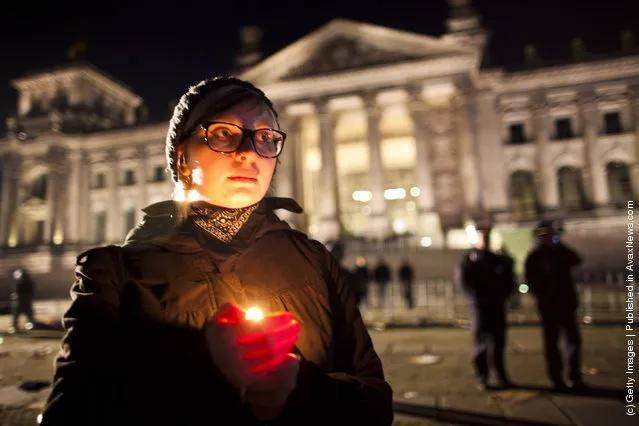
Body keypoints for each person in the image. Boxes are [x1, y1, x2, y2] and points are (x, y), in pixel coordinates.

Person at [40, 77, 393, 426]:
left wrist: (300, 389)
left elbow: (375, 404)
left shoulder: (315, 260)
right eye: (224, 134)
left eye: (266, 138)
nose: (248, 151)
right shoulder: (114, 275)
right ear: (180, 156)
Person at [525, 220, 585, 392]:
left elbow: (576, 259)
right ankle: (557, 379)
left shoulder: (560, 252)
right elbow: (531, 282)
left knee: (573, 342)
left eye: (550, 236)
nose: (547, 239)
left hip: (566, 303)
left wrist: (559, 244)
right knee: (552, 344)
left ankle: (575, 377)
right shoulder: (534, 256)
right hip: (549, 306)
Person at [457, 225, 515, 390]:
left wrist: (502, 296)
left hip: (496, 305)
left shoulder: (498, 259)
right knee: (481, 343)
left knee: (499, 342)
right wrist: (476, 299)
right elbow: (465, 282)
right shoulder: (469, 259)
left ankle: (500, 374)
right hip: (480, 307)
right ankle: (482, 376)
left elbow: (509, 280)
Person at [9, 268, 36, 334]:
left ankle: (17, 327)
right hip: (22, 301)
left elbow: (16, 293)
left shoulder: (23, 282)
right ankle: (17, 327)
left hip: (21, 301)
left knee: (25, 315)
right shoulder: (23, 282)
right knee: (19, 316)